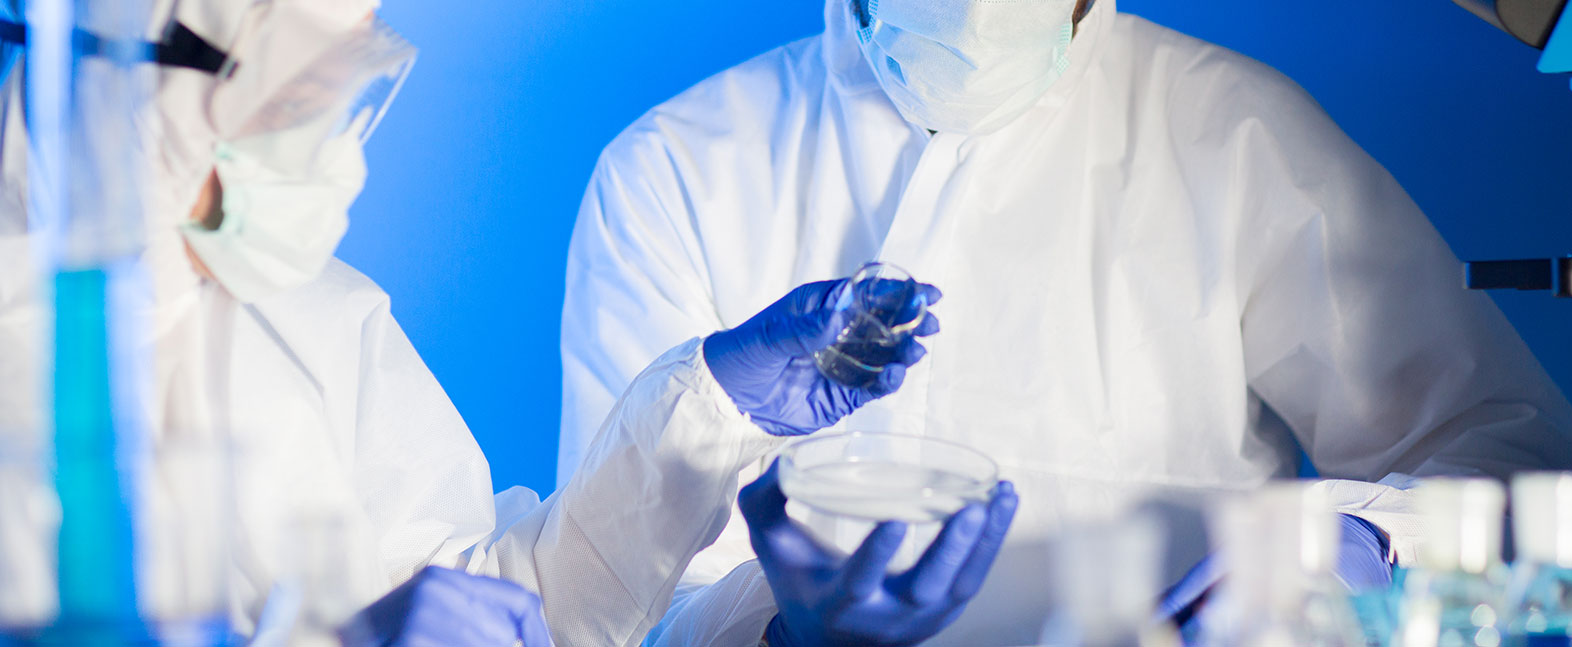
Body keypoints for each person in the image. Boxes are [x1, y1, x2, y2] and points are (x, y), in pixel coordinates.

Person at [557, 0, 1572, 643]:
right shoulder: (677, 170)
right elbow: (608, 596)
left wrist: (1360, 543)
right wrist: (783, 634)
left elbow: (1502, 450)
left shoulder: (1231, 133)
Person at [0, 1, 1016, 646]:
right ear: (129, 72)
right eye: (297, 93)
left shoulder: (315, 318)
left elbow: (497, 611)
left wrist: (709, 407)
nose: (333, 148)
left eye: (348, 87)